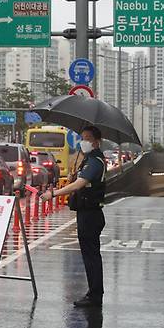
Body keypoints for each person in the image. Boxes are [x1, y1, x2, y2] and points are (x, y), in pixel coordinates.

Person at [40, 126, 106, 307]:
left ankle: (95, 296)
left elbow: (79, 185)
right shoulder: (88, 160)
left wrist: (53, 194)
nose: (83, 141)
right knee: (90, 256)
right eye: (82, 137)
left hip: (90, 215)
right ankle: (94, 293)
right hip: (87, 213)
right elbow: (78, 182)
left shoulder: (94, 161)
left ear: (96, 141)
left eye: (87, 138)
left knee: (91, 257)